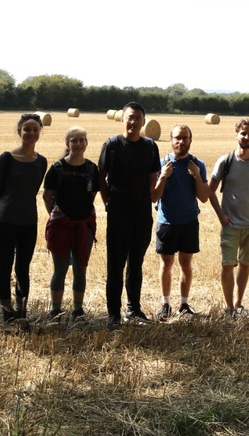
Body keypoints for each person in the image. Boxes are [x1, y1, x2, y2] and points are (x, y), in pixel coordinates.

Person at [98, 102, 161, 329]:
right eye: (130, 117)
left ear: (144, 121)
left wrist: (148, 197)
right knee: (115, 265)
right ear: (122, 119)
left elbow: (152, 179)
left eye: (138, 118)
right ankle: (113, 314)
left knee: (136, 263)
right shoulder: (112, 145)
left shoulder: (150, 146)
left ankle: (134, 309)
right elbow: (100, 177)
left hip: (142, 214)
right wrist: (108, 203)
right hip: (118, 214)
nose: (133, 122)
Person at [0, 113, 48, 323]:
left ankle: (21, 313)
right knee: (5, 268)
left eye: (35, 129)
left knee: (23, 269)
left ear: (40, 132)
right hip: (4, 222)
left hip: (29, 223)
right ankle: (7, 313)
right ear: (19, 131)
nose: (31, 133)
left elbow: (33, 190)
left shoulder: (42, 162)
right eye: (27, 129)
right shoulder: (6, 158)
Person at [208, 119, 249, 317]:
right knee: (227, 265)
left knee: (245, 265)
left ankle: (238, 304)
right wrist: (221, 215)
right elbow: (210, 191)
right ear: (236, 135)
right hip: (231, 225)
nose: (246, 137)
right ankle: (228, 309)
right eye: (243, 133)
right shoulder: (225, 161)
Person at [150, 125, 210, 321]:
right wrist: (163, 176)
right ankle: (165, 304)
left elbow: (204, 198)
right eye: (177, 138)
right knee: (166, 264)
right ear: (171, 139)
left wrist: (197, 176)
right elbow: (154, 197)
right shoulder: (161, 164)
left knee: (186, 264)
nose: (181, 142)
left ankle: (184, 304)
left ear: (190, 140)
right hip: (166, 222)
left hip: (189, 222)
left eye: (185, 138)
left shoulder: (198, 164)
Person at [42, 126, 99, 322]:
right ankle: (55, 311)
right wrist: (56, 216)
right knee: (60, 270)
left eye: (82, 140)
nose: (78, 143)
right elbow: (47, 196)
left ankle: (78, 310)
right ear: (68, 143)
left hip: (84, 226)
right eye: (74, 140)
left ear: (86, 143)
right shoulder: (57, 168)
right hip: (61, 226)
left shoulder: (92, 169)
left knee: (80, 268)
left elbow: (92, 194)